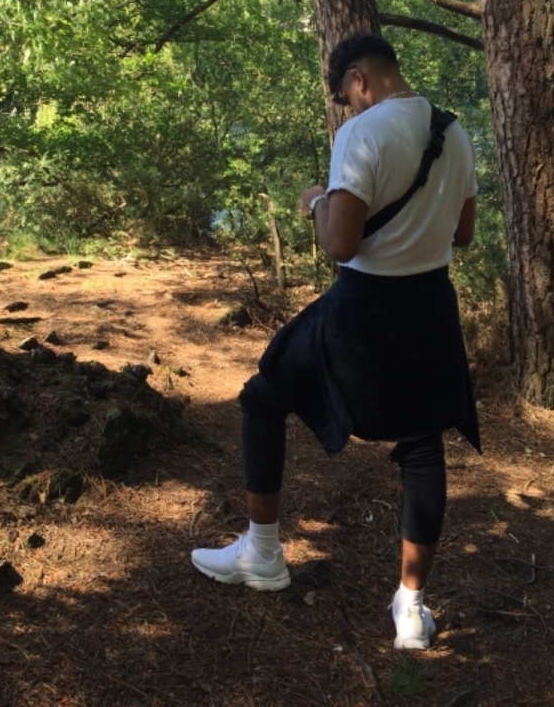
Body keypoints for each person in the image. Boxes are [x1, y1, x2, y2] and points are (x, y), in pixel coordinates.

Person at [191, 32, 480, 650]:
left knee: (263, 397)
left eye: (345, 97)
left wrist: (317, 201)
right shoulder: (455, 133)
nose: (348, 107)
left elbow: (340, 244)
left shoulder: (361, 132)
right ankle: (411, 608)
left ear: (358, 79)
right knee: (422, 444)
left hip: (365, 306)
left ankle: (262, 553)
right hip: (431, 307)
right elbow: (463, 235)